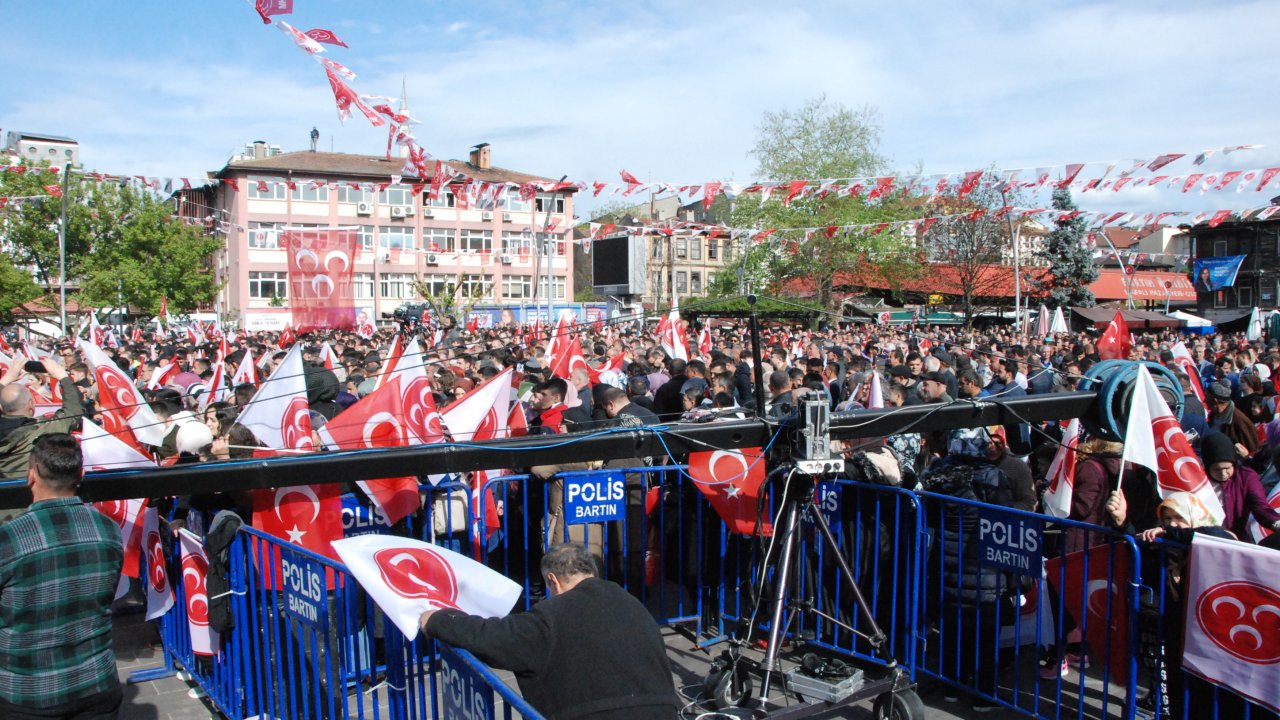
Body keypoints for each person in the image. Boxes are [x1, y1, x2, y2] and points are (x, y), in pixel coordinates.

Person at [420, 544, 678, 720]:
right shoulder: (631, 603)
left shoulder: (551, 616)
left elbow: (493, 637)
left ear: (553, 580)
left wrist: (437, 620)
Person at [0, 434, 124, 719]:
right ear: (80, 475)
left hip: (28, 693)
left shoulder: (9, 539)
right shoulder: (108, 531)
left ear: (30, 475)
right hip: (96, 683)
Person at [0, 358, 86, 479]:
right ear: (31, 404)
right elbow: (73, 412)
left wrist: (6, 378)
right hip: (27, 492)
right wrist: (62, 376)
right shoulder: (40, 430)